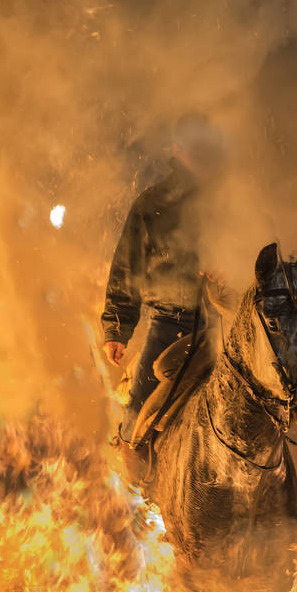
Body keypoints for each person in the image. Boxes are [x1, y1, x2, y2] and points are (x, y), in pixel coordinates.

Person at [101, 113, 228, 446]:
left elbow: (261, 262)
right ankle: (137, 481)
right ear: (177, 149)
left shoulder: (234, 202)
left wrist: (232, 273)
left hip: (226, 327)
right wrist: (117, 329)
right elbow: (126, 271)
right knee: (134, 426)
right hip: (170, 326)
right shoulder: (152, 205)